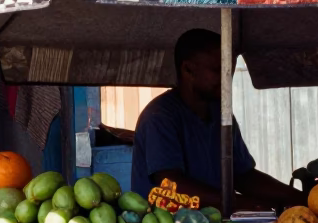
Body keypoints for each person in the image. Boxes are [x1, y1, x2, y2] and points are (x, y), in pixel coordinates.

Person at [131, 29, 305, 212]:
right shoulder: (159, 117)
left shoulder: (221, 113)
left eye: (229, 70)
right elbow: (171, 185)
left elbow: (243, 175)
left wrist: (301, 198)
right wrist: (243, 204)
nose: (227, 78)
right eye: (217, 70)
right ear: (188, 69)